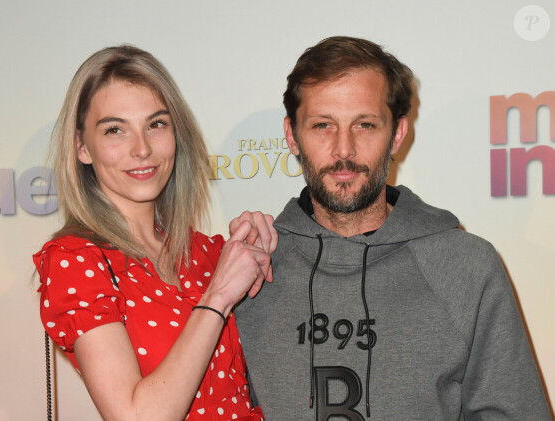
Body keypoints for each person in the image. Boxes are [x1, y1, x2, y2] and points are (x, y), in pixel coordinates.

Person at [234, 36, 551, 420]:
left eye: (364, 125)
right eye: (322, 125)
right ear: (291, 135)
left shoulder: (466, 266)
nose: (344, 149)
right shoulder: (247, 271)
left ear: (397, 133)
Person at [33, 45, 276, 420]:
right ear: (82, 146)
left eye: (156, 124)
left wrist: (260, 248)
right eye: (115, 130)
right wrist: (218, 295)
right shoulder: (77, 260)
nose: (142, 149)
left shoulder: (206, 253)